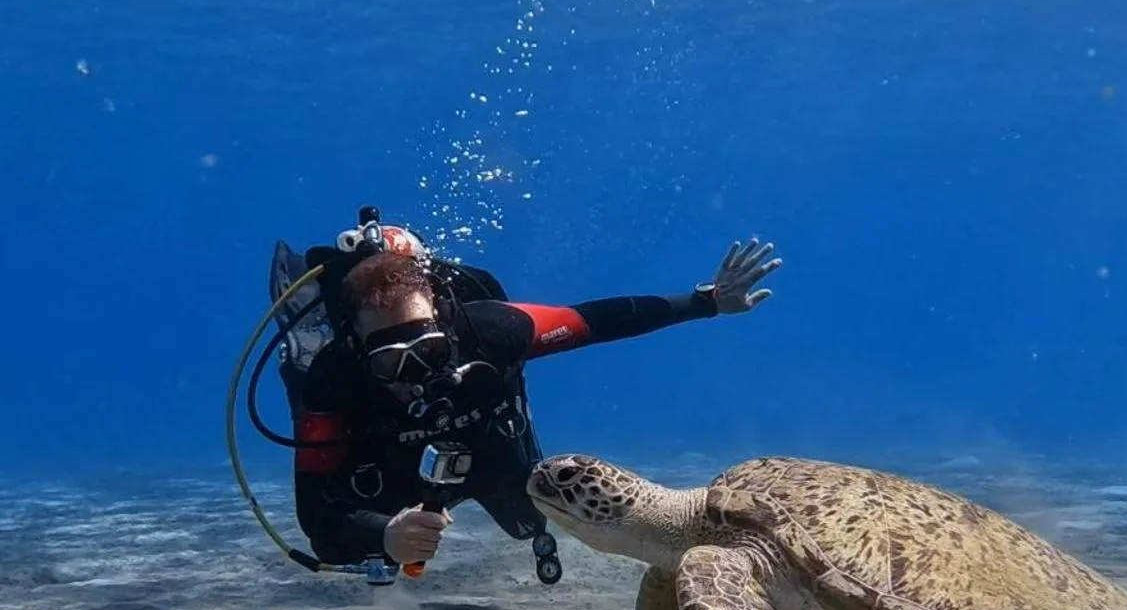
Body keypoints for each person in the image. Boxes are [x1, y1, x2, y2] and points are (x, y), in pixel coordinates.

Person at [283, 218, 782, 582]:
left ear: (445, 321)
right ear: (356, 347)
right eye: (393, 359)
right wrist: (383, 534)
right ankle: (304, 334)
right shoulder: (333, 380)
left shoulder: (494, 330)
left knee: (529, 522)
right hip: (388, 464)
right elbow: (317, 518)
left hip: (489, 446)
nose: (419, 374)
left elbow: (598, 319)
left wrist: (708, 301)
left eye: (430, 349)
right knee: (358, 545)